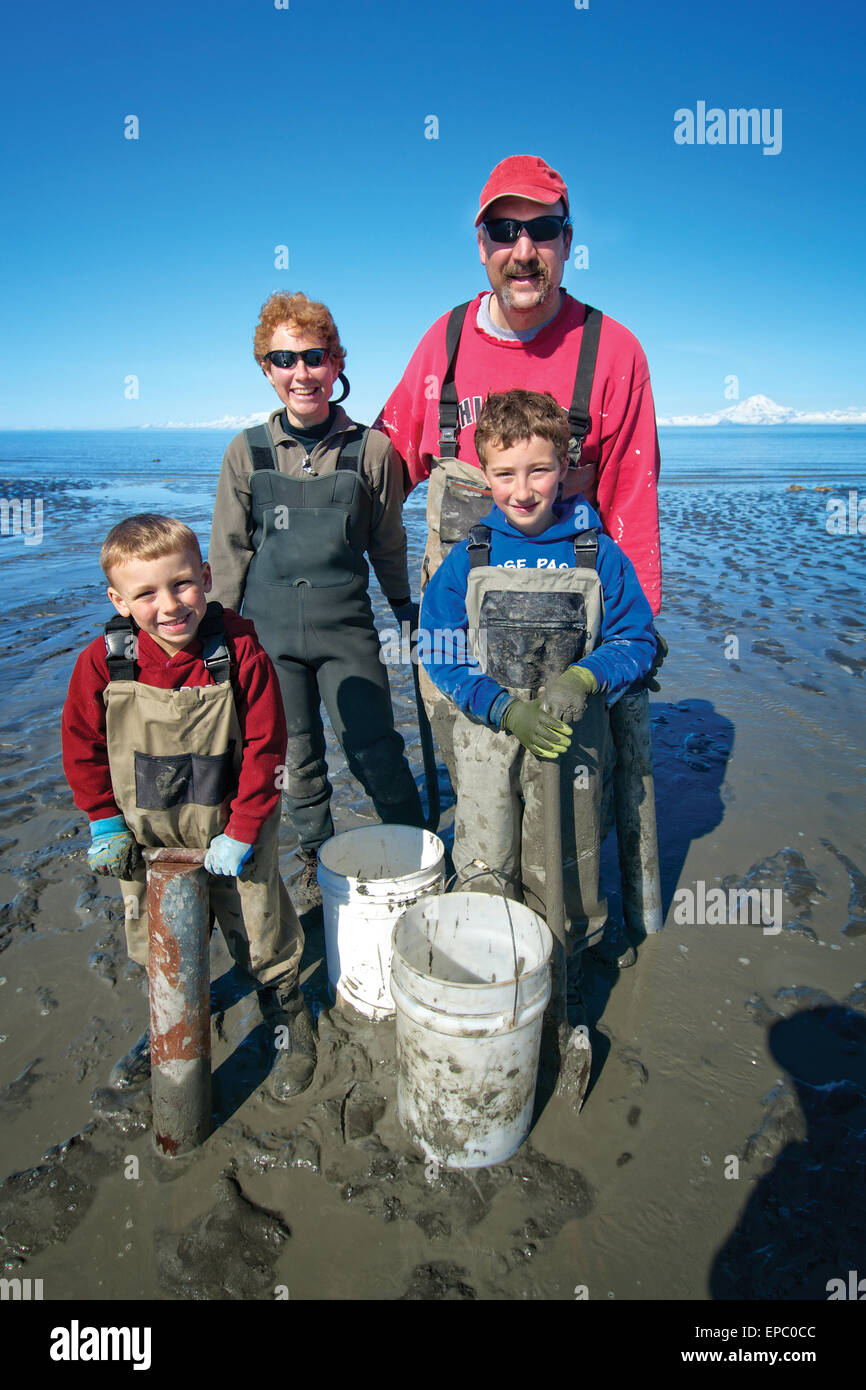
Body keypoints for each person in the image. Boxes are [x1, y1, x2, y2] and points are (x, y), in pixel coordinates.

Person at [418, 390, 656, 1049]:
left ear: (566, 465)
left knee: (566, 865)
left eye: (539, 470)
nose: (522, 490)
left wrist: (584, 676)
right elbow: (436, 650)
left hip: (570, 748)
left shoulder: (596, 553)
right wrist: (497, 706)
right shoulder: (470, 554)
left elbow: (636, 641)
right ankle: (493, 975)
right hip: (490, 741)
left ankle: (569, 976)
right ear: (483, 473)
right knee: (487, 859)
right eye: (504, 473)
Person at [61, 514, 316, 1102]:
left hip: (234, 825)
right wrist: (102, 820)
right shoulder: (102, 663)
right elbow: (82, 746)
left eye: (181, 584)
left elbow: (267, 749)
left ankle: (286, 1012)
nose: (169, 605)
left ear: (205, 576)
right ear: (119, 601)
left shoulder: (241, 653)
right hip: (144, 834)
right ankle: (170, 1023)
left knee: (260, 929)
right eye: (145, 593)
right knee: (162, 942)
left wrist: (247, 827)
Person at [207, 292, 424, 909]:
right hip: (266, 633)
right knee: (294, 760)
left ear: (336, 363)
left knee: (374, 747)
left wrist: (405, 608)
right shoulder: (246, 451)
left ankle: (416, 848)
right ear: (267, 369)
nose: (300, 372)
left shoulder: (371, 451)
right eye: (284, 358)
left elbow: (387, 542)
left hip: (346, 630)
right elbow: (228, 552)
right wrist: (217, 635)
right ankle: (315, 859)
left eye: (314, 356)